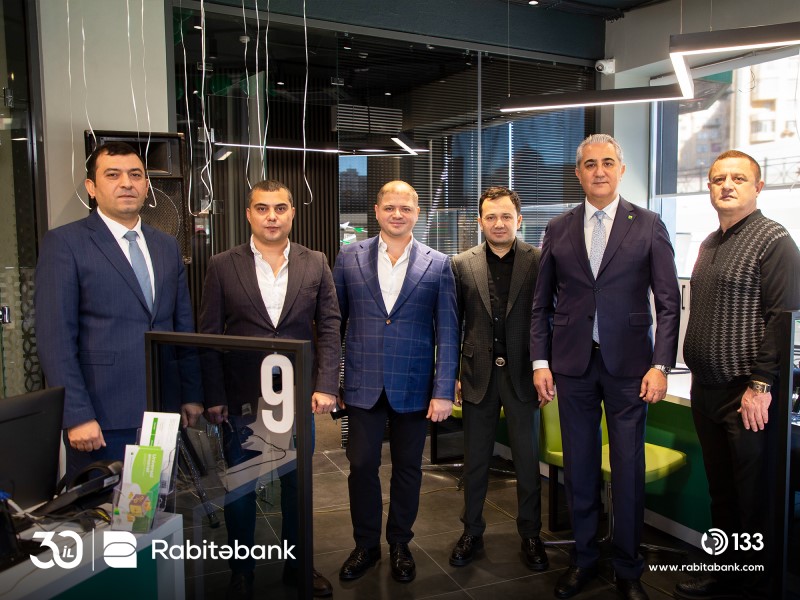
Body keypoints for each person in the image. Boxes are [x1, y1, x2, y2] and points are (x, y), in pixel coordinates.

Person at [530, 134, 680, 600]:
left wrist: (661, 364)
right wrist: (540, 361)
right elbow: (541, 304)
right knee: (579, 467)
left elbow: (669, 304)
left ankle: (629, 568)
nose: (599, 171)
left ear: (621, 169)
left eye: (608, 162)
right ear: (578, 173)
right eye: (590, 164)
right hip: (571, 364)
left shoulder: (648, 224)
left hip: (630, 367)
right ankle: (583, 558)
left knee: (628, 467)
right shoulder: (558, 227)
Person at [198, 180, 339, 599]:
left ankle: (298, 566)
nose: (272, 216)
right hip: (242, 394)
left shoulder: (315, 262)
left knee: (297, 484)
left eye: (280, 208)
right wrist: (214, 396)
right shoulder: (222, 265)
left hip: (297, 394)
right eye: (262, 208)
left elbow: (330, 326)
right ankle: (242, 571)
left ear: (292, 212)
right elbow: (208, 334)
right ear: (249, 214)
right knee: (241, 486)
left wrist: (326, 383)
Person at [35, 141, 203, 482]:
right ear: (92, 187)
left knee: (157, 506)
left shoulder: (166, 245)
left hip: (163, 411)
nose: (126, 183)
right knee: (105, 512)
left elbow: (182, 327)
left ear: (146, 186)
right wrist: (77, 415)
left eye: (135, 175)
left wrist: (191, 393)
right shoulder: (65, 244)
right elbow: (55, 339)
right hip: (102, 418)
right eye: (113, 175)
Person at [676, 151, 800, 600]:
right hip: (707, 389)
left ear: (758, 187)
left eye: (738, 178)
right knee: (723, 492)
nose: (727, 185)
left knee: (753, 499)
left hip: (746, 394)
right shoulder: (710, 243)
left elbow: (783, 318)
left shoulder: (775, 240)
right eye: (718, 179)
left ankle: (755, 587)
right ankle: (726, 574)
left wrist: (760, 386)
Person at [333, 180, 459, 584]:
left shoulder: (439, 264)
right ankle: (366, 545)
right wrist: (330, 382)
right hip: (363, 382)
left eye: (405, 207)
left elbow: (448, 332)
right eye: (390, 207)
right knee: (361, 466)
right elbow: (334, 325)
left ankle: (401, 543)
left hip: (414, 385)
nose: (397, 214)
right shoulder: (348, 257)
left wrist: (443, 391)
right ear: (377, 211)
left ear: (417, 213)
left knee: (408, 469)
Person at [448, 186, 548, 571]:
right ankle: (471, 531)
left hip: (524, 374)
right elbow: (454, 324)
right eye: (491, 217)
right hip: (477, 375)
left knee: (527, 461)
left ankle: (531, 534)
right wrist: (452, 374)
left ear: (519, 219)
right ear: (480, 222)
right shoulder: (461, 264)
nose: (499, 223)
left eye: (506, 216)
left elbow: (549, 318)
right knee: (475, 461)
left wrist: (545, 367)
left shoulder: (539, 261)